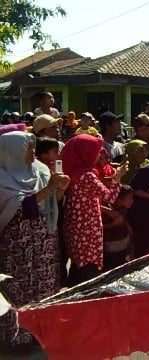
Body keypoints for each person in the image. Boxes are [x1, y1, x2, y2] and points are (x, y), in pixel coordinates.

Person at [0, 131, 69, 349]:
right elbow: (21, 209)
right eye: (28, 148)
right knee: (18, 290)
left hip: (44, 242)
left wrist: (59, 190)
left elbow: (51, 203)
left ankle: (43, 333)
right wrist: (50, 188)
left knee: (45, 287)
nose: (32, 152)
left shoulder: (40, 170)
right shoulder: (3, 177)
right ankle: (19, 339)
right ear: (12, 152)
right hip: (18, 245)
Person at [62, 134, 124, 286]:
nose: (98, 155)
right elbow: (109, 198)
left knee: (78, 265)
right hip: (87, 227)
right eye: (96, 151)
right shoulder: (87, 175)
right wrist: (118, 179)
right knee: (88, 269)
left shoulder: (73, 170)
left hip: (76, 224)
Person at [102, 185, 134, 270]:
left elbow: (122, 220)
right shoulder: (107, 210)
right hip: (110, 248)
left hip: (123, 246)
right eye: (130, 198)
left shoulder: (123, 209)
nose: (132, 201)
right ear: (119, 199)